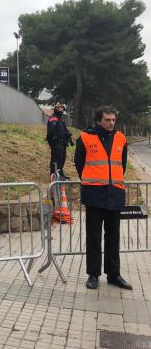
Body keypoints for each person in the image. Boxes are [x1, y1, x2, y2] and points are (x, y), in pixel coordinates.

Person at [74, 106, 131, 290]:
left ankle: (114, 275)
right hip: (94, 194)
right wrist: (93, 181)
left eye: (113, 120)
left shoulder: (121, 138)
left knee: (113, 236)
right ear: (99, 120)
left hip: (114, 193)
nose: (111, 123)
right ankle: (93, 275)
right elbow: (79, 163)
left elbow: (121, 165)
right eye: (107, 120)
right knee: (94, 236)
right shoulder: (84, 137)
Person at [46, 102, 73, 179]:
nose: (61, 111)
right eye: (60, 109)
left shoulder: (60, 120)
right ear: (56, 109)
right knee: (56, 158)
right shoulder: (53, 119)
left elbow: (65, 130)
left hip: (62, 142)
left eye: (62, 109)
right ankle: (54, 174)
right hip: (55, 142)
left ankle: (60, 173)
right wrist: (59, 137)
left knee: (62, 158)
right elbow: (53, 132)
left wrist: (67, 136)